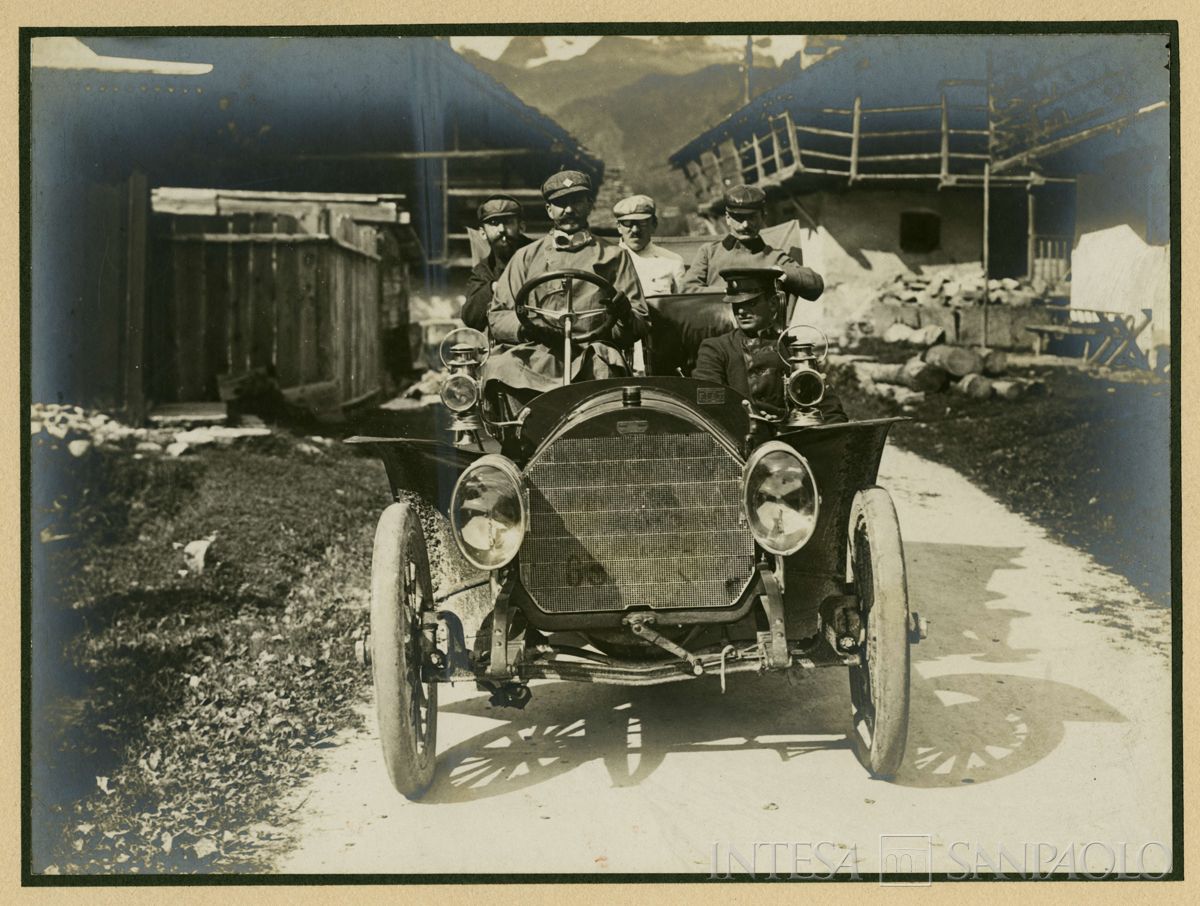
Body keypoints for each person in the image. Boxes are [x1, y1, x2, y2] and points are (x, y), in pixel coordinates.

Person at [483, 170, 648, 402]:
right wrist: (526, 328)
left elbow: (638, 322)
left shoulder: (614, 256)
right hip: (538, 352)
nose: (569, 210)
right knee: (502, 367)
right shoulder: (526, 257)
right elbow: (499, 315)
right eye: (561, 203)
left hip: (593, 353)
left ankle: (597, 436)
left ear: (590, 205)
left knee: (606, 369)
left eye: (576, 201)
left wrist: (623, 315)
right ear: (549, 210)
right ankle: (523, 435)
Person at [691, 267, 847, 423]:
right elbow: (708, 403)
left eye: (751, 303)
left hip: (793, 437)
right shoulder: (716, 349)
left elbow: (828, 407)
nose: (742, 311)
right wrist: (749, 417)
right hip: (740, 437)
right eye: (736, 305)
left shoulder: (791, 349)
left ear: (773, 303)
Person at [681, 185, 824, 302]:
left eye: (752, 217)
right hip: (718, 329)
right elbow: (687, 290)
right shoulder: (709, 252)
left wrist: (784, 273)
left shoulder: (775, 257)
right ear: (728, 218)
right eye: (738, 218)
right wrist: (734, 291)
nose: (745, 225)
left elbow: (815, 287)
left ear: (763, 216)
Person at [462, 194, 532, 332]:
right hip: (506, 340)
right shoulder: (484, 269)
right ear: (482, 233)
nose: (501, 229)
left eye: (508, 222)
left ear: (522, 227)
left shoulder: (541, 255)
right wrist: (494, 287)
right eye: (493, 223)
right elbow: (471, 319)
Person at [613, 194, 686, 295]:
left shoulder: (673, 261)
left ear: (654, 225)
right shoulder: (607, 261)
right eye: (628, 223)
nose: (635, 230)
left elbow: (682, 305)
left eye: (642, 223)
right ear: (619, 227)